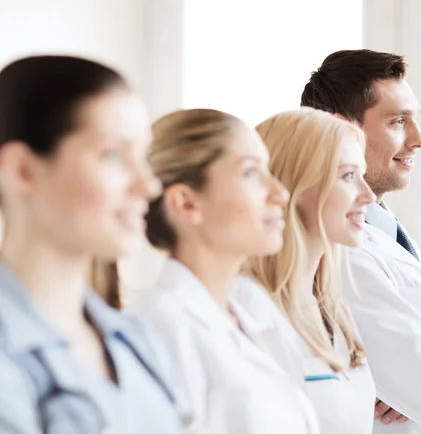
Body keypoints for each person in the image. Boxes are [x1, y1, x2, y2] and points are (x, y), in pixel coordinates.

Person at [300, 49, 421, 434]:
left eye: (415, 119)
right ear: (343, 130)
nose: (419, 139)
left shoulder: (384, 229)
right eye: (397, 121)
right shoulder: (340, 251)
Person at [0, 55, 185, 433]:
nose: (148, 186)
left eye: (143, 157)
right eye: (114, 155)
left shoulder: (132, 340)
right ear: (23, 170)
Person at [128, 109, 320, 434]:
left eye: (268, 170)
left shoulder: (247, 311)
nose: (280, 193)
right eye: (250, 173)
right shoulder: (161, 329)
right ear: (187, 204)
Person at [235, 108, 377, 434]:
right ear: (291, 185)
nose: (368, 196)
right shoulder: (245, 302)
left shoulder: (330, 306)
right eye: (348, 176)